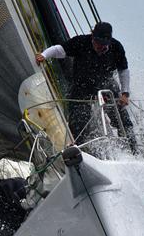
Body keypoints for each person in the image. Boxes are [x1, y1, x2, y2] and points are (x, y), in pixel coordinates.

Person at [36, 21, 135, 149]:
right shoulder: (81, 42)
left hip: (106, 86)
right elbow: (59, 50)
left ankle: (132, 149)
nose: (100, 46)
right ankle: (80, 149)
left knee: (122, 119)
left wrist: (125, 94)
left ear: (109, 42)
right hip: (81, 87)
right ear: (92, 36)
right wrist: (44, 55)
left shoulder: (117, 47)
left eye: (103, 44)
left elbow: (123, 71)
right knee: (78, 121)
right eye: (97, 42)